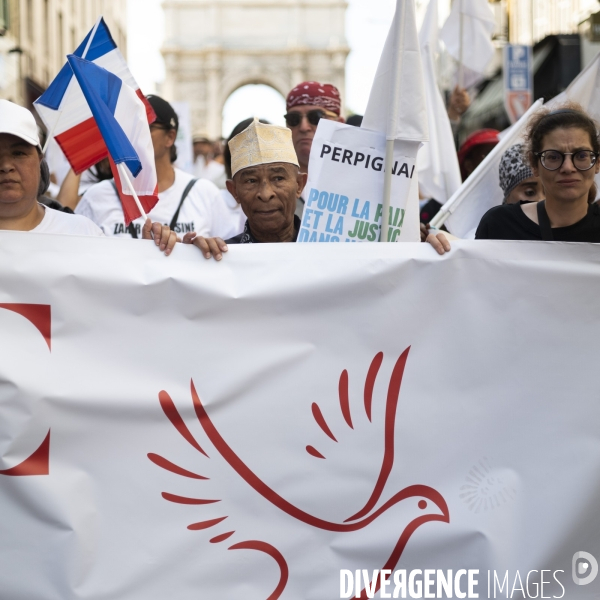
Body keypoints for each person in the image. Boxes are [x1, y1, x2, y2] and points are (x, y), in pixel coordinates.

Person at [0, 100, 176, 254]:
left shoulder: (81, 233)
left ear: (39, 160)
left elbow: (119, 286)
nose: (6, 166)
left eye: (18, 153)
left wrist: (150, 258)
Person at [428, 104, 600, 253]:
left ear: (597, 162)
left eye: (582, 155)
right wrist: (431, 250)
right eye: (553, 157)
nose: (568, 167)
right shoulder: (500, 225)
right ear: (534, 164)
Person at [76, 95, 223, 240]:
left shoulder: (206, 194)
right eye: (130, 127)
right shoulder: (96, 197)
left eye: (147, 126)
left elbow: (231, 250)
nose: (135, 134)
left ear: (170, 137)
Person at [183, 118, 306, 260]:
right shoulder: (220, 257)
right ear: (234, 191)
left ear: (299, 184)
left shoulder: (326, 250)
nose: (265, 194)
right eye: (251, 181)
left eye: (278, 178)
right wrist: (190, 259)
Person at [284, 81, 344, 217]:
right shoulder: (268, 185)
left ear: (339, 124)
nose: (304, 127)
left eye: (316, 117)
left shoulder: (360, 182)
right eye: (294, 119)